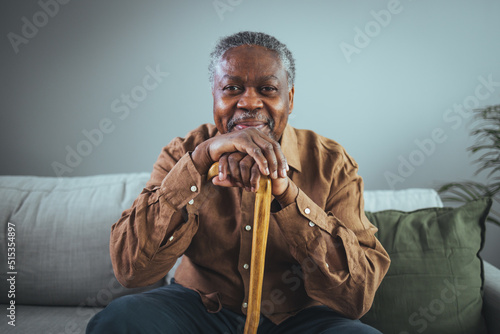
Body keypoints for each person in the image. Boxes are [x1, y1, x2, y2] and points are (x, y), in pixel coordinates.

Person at [87, 31, 390, 334]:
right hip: (199, 308)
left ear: (290, 98)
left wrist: (287, 195)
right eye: (232, 88)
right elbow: (131, 270)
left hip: (300, 317)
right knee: (118, 320)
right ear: (215, 98)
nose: (248, 102)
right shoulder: (182, 152)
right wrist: (200, 161)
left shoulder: (332, 162)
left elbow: (356, 298)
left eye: (267, 89)